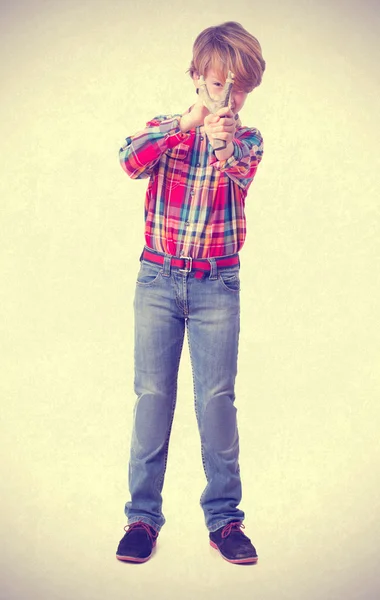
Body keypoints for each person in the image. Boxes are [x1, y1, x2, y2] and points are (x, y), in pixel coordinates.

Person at [116, 21, 266, 565]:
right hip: (157, 280)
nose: (227, 93)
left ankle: (225, 520)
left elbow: (240, 172)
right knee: (153, 400)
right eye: (218, 81)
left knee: (216, 404)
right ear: (198, 76)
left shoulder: (248, 140)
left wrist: (222, 145)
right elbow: (130, 160)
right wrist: (187, 124)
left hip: (216, 286)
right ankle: (141, 517)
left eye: (240, 86)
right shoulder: (168, 128)